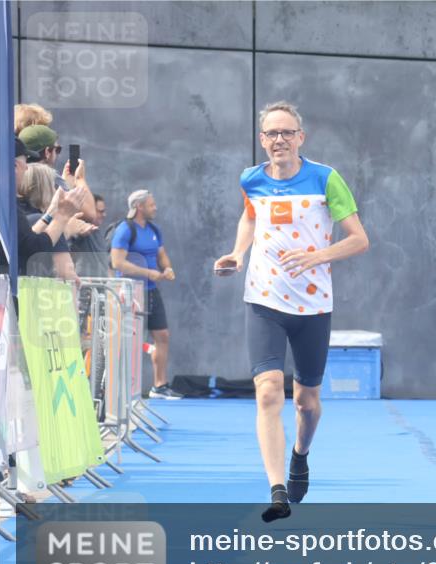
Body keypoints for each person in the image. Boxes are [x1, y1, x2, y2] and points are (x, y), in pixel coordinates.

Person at [214, 101, 369, 522]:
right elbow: (250, 218)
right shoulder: (251, 179)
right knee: (267, 392)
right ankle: (277, 487)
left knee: (306, 402)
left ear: (301, 137)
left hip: (313, 306)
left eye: (286, 133)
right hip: (264, 300)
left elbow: (358, 239)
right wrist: (237, 253)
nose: (278, 140)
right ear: (261, 139)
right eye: (270, 134)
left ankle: (301, 453)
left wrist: (318, 255)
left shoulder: (325, 178)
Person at [110, 189, 182, 400]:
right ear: (139, 207)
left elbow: (162, 255)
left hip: (151, 291)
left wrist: (167, 269)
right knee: (129, 341)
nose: (155, 208)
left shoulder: (153, 229)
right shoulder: (125, 230)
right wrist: (148, 272)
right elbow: (118, 263)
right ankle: (122, 388)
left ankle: (159, 386)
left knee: (162, 336)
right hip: (130, 293)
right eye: (151, 205)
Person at [0, 138, 87, 281]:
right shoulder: (4, 203)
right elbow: (34, 249)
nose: (27, 168)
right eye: (24, 162)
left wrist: (51, 213)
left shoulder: (5, 202)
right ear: (13, 165)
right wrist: (62, 216)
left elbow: (25, 241)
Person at [18, 124, 97, 222]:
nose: (57, 154)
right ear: (47, 152)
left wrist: (65, 184)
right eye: (57, 149)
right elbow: (90, 214)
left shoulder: (15, 175)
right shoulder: (50, 177)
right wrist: (79, 178)